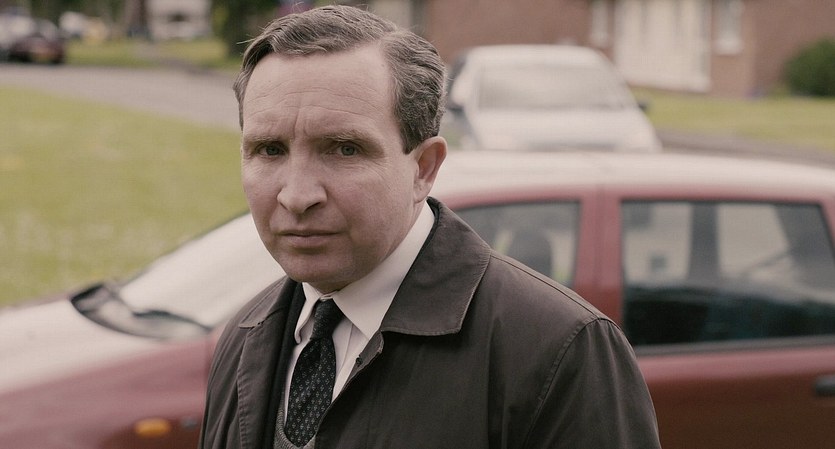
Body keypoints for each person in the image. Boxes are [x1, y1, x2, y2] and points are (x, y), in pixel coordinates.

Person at [199, 5, 661, 449]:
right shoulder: (245, 337)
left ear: (424, 168)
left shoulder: (559, 350)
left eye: (344, 149)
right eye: (270, 150)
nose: (298, 196)